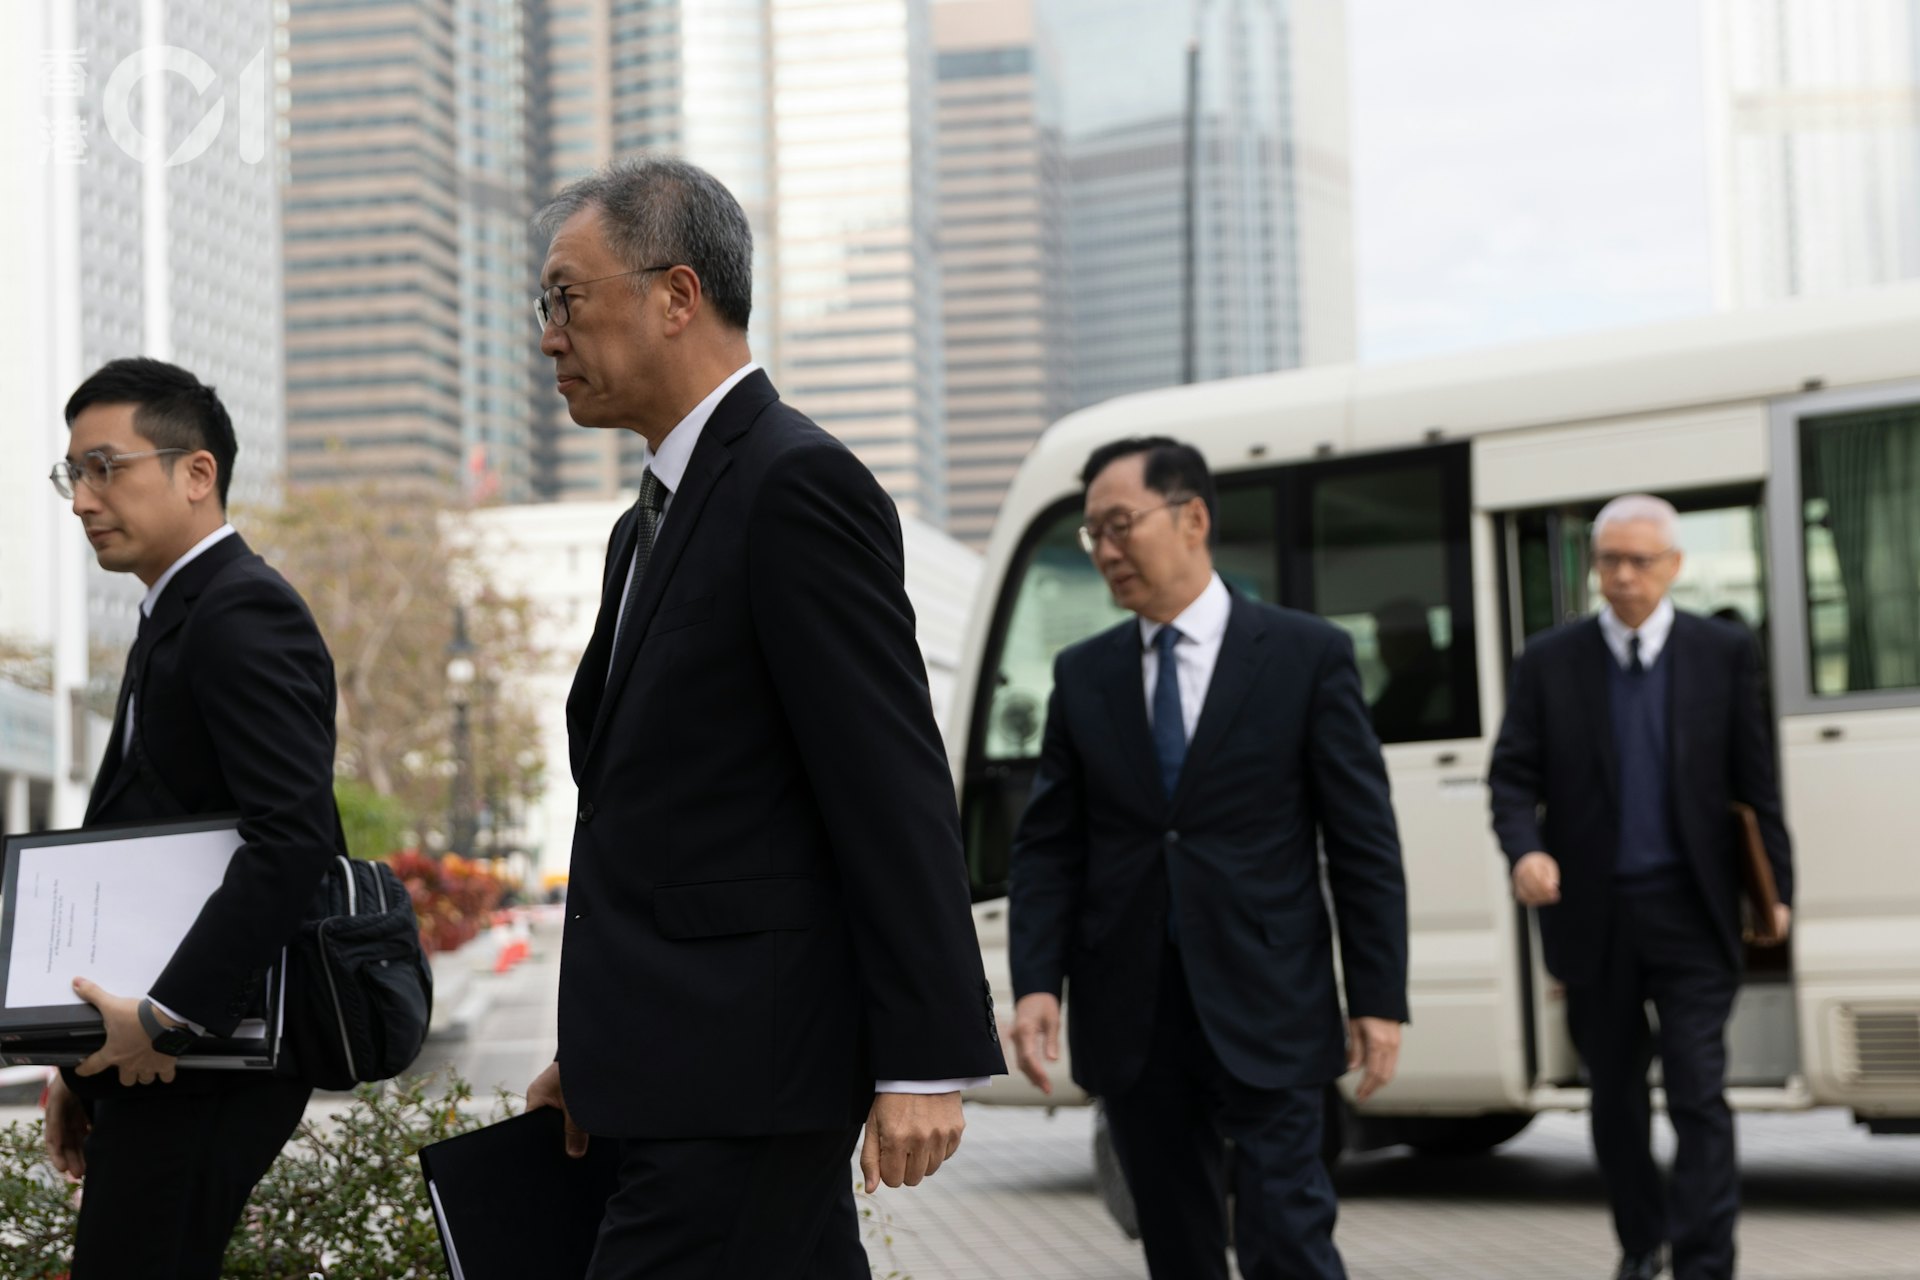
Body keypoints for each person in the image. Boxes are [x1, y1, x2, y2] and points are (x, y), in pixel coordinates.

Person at [522, 157, 1003, 1278]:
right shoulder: (642, 524)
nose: (547, 335)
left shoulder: (795, 485)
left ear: (676, 295)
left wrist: (925, 1057)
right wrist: (594, 1057)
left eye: (565, 298)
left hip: (748, 1076)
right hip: (684, 1068)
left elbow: (888, 780)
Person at [1006, 437, 1409, 1280]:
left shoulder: (1307, 656)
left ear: (1192, 519)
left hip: (1270, 998)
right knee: (1177, 1246)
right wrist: (1037, 981)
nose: (1106, 551)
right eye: (1093, 535)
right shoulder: (1083, 676)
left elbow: (1363, 841)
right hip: (1133, 1010)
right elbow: (1052, 845)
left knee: (1288, 1236)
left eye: (1120, 525)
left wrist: (1378, 997)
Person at [42, 358, 340, 1277]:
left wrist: (166, 1018)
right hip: (163, 1057)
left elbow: (292, 841)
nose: (84, 498)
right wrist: (80, 1058)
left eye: (106, 467)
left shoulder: (239, 610)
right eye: (72, 475)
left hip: (203, 1058)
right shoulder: (178, 611)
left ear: (196, 473)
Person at [1487, 494, 1793, 1280]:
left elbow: (1756, 782)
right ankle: (1639, 1243)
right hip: (1592, 917)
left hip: (1694, 911)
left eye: (1640, 562)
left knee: (1698, 1094)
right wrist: (1524, 850)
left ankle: (1703, 1262)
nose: (1622, 577)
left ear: (1674, 567)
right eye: (1609, 561)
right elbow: (1512, 776)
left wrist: (1776, 890)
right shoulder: (1549, 661)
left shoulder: (1721, 652)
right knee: (1615, 1100)